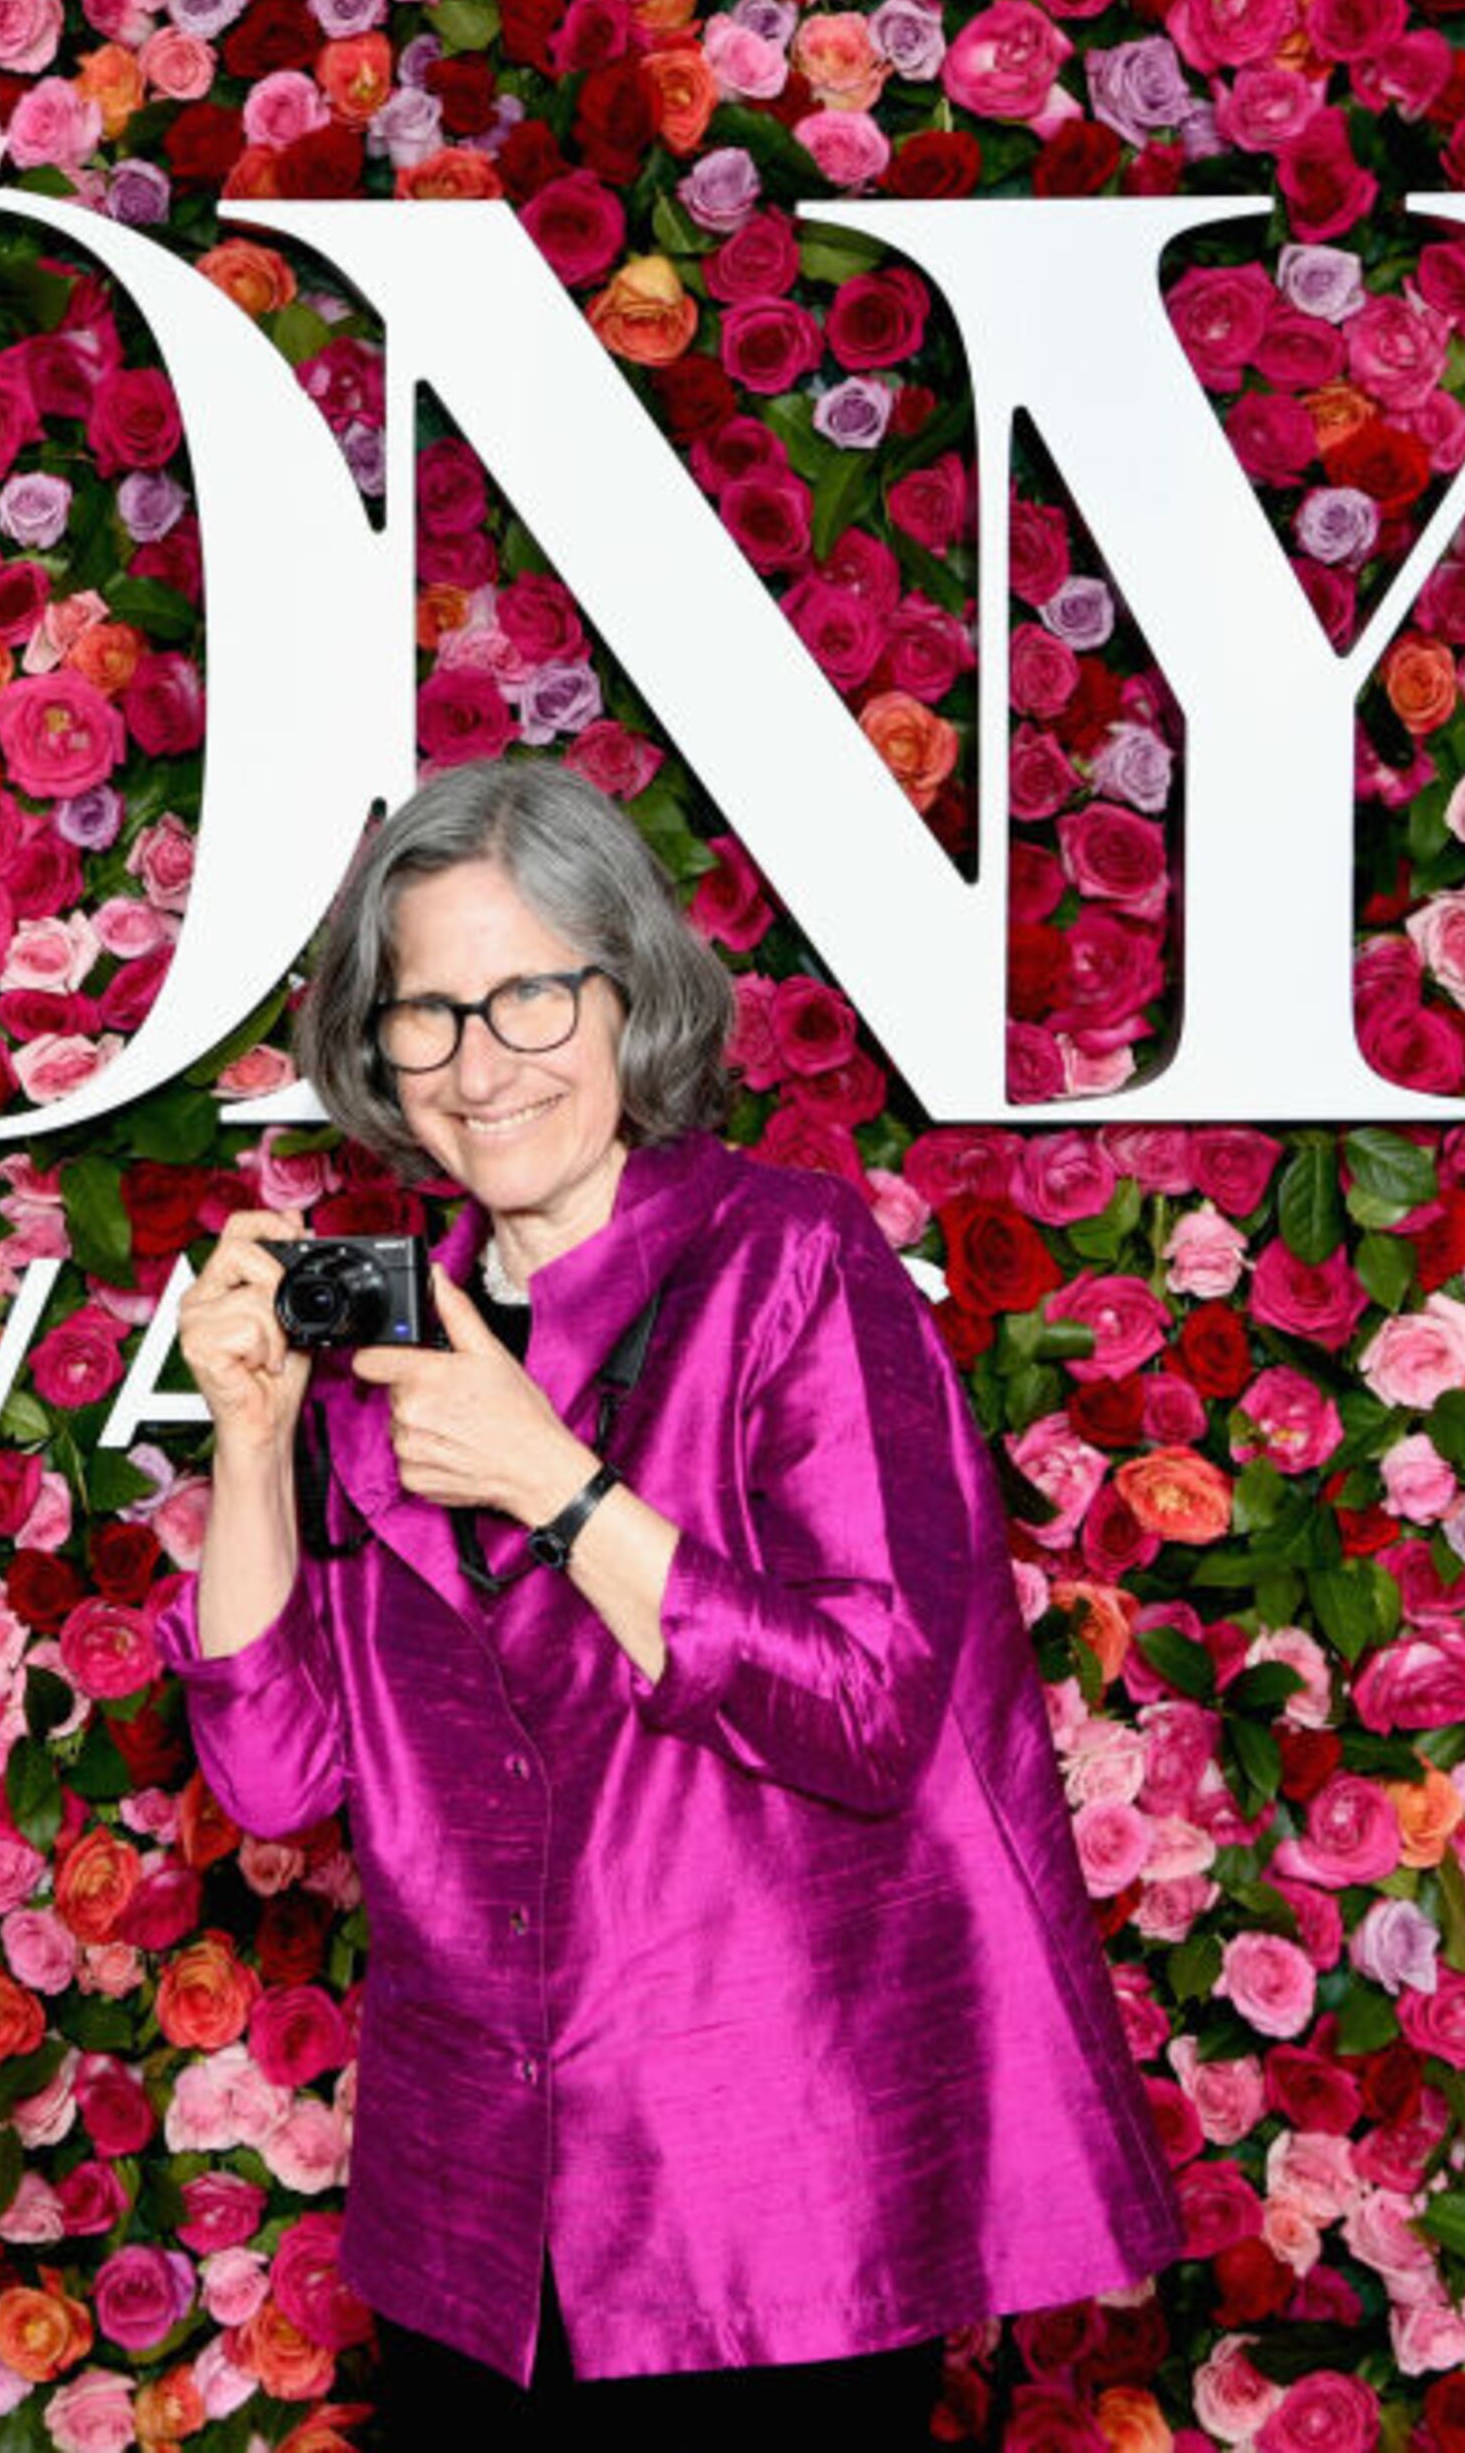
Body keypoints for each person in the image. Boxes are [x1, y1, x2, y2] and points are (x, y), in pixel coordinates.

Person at [158, 758, 1187, 2445]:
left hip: (763, 2208)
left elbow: (869, 1704)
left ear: (629, 993)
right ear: (375, 1047)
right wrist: (255, 1440)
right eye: (426, 1014)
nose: (480, 1064)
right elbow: (274, 1780)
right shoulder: (381, 1333)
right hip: (474, 2230)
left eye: (530, 995)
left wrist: (559, 1485)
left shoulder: (791, 1261)